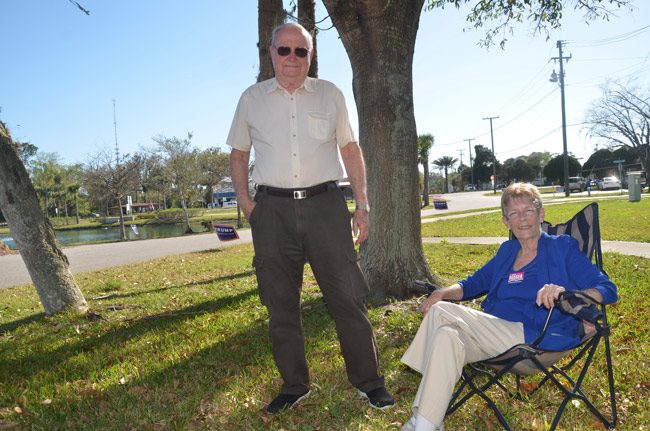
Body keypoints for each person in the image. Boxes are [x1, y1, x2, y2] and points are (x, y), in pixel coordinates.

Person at [226, 22, 394, 414]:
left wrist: (363, 204)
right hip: (272, 211)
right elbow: (238, 154)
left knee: (348, 298)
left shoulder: (330, 95)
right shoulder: (251, 99)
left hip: (326, 207)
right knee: (280, 303)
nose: (292, 59)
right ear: (270, 53)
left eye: (301, 51)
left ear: (311, 55)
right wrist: (247, 204)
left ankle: (369, 381)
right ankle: (294, 384)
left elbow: (350, 149)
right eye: (284, 50)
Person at [399, 182, 617, 431]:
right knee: (447, 336)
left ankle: (419, 394)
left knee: (440, 311)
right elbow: (474, 283)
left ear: (541, 214)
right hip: (494, 336)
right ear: (506, 222)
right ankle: (425, 424)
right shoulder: (507, 251)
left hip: (535, 339)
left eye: (529, 211)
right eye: (514, 213)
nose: (522, 219)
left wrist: (564, 292)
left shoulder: (562, 247)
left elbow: (608, 289)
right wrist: (443, 291)